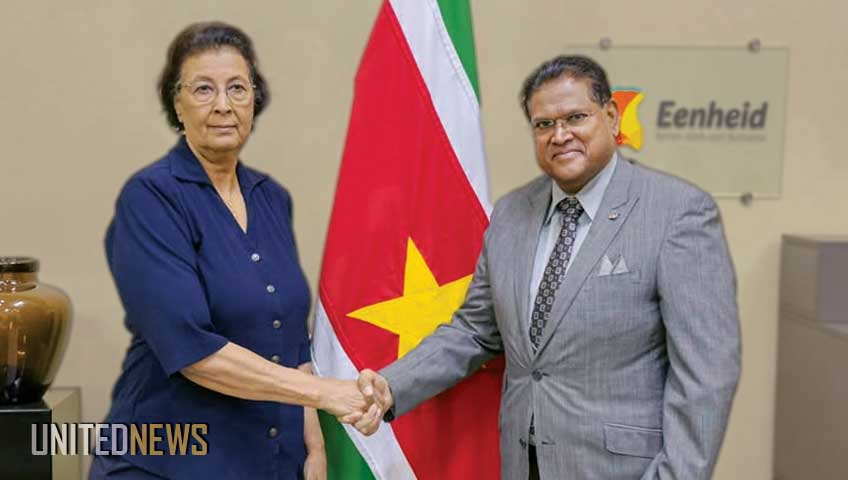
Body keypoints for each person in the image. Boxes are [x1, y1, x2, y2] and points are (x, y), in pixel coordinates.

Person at [354, 55, 742, 479]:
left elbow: (707, 374)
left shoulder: (676, 212)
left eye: (575, 117)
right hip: (524, 461)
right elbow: (475, 331)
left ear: (611, 117)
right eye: (544, 124)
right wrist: (391, 386)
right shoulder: (511, 214)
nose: (560, 135)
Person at [91, 22, 371, 480]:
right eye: (203, 89)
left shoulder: (271, 198)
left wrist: (315, 447)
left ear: (254, 101)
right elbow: (191, 350)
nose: (223, 104)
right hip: (167, 464)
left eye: (237, 88)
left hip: (270, 462)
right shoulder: (151, 198)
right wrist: (325, 393)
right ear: (176, 104)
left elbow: (291, 339)